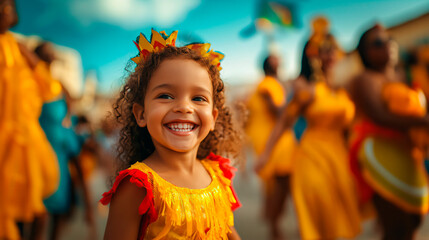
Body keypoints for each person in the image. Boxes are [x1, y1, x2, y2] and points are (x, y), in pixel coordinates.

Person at [100, 29, 242, 239]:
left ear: (212, 117)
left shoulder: (218, 175)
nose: (184, 107)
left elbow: (228, 231)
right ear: (141, 114)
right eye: (165, 96)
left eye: (198, 98)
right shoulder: (138, 186)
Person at [255, 17, 361, 240]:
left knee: (340, 220)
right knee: (319, 218)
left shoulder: (344, 89)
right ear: (313, 54)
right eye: (323, 50)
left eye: (333, 50)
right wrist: (266, 154)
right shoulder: (308, 89)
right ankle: (274, 228)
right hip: (312, 157)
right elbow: (283, 120)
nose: (330, 55)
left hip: (340, 159)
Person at [348, 24, 429, 240]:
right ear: (365, 52)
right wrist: (423, 121)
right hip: (381, 153)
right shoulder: (364, 79)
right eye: (378, 43)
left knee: (415, 217)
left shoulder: (401, 75)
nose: (388, 45)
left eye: (390, 39)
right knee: (395, 224)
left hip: (408, 152)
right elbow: (379, 116)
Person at [0, 0, 62, 239]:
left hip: (25, 139)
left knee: (31, 207)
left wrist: (29, 55)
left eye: (7, 7)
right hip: (5, 138)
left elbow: (49, 87)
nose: (3, 12)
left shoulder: (18, 47)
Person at [245, 55, 295, 240]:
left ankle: (271, 218)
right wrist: (297, 103)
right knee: (280, 181)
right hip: (272, 139)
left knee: (275, 183)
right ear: (271, 65)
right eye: (276, 60)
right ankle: (274, 228)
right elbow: (279, 111)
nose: (279, 61)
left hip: (269, 137)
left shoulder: (267, 83)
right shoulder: (268, 85)